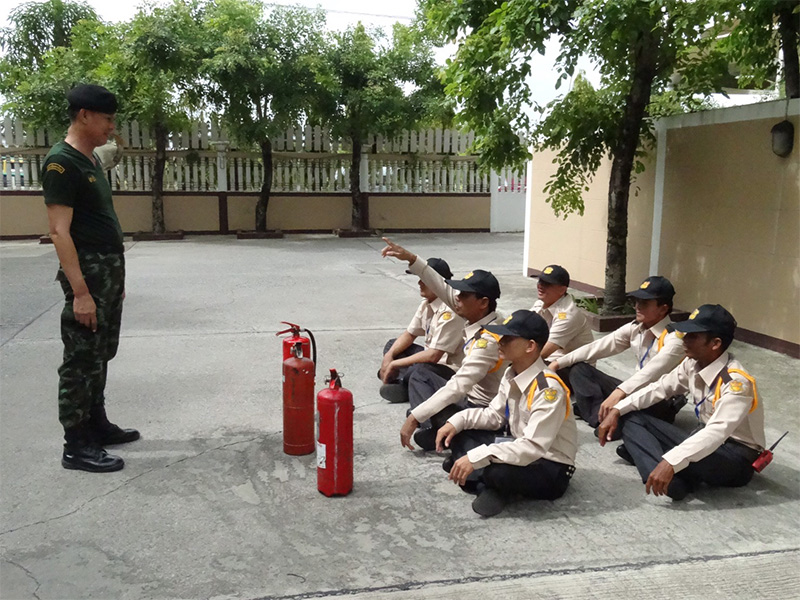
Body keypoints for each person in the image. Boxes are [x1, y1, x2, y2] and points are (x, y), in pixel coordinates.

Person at [43, 84, 139, 473]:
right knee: (81, 358)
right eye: (107, 119)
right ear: (84, 115)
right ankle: (76, 443)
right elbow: (58, 232)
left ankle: (96, 423)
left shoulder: (90, 160)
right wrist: (81, 293)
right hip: (87, 273)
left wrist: (115, 279)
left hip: (107, 271)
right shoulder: (61, 164)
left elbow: (113, 149)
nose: (111, 127)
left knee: (100, 352)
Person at [596, 304, 766, 501]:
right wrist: (617, 409)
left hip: (734, 458)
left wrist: (670, 461)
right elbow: (659, 388)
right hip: (703, 438)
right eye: (685, 334)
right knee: (632, 417)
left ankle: (664, 471)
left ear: (715, 343)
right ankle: (669, 473)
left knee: (659, 450)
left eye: (692, 336)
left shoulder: (737, 383)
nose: (684, 340)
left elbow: (717, 432)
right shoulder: (692, 364)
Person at [436, 310, 577, 517]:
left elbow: (533, 446)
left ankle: (488, 486)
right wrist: (456, 422)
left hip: (549, 465)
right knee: (460, 433)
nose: (500, 342)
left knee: (497, 472)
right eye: (501, 336)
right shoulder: (512, 373)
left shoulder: (548, 389)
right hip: (516, 446)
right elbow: (493, 415)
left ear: (530, 346)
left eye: (508, 338)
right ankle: (490, 486)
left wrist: (476, 457)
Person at [381, 238, 505, 452]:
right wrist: (412, 259)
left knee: (423, 383)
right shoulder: (482, 316)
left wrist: (416, 417)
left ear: (483, 302)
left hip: (480, 407)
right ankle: (428, 415)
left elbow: (458, 386)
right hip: (467, 395)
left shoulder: (488, 341)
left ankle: (433, 427)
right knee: (416, 375)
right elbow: (441, 288)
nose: (457, 298)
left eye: (464, 295)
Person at [549, 276, 686, 430]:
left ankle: (612, 419)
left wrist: (619, 393)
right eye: (636, 301)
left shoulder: (674, 339)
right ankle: (602, 419)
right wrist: (558, 363)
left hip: (659, 401)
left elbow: (651, 373)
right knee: (579, 369)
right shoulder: (636, 328)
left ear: (663, 308)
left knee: (626, 408)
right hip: (633, 391)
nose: (637, 307)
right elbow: (597, 347)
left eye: (645, 303)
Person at [378, 257, 466, 404]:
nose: (419, 283)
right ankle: (410, 384)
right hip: (429, 361)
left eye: (423, 280)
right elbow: (410, 334)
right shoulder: (427, 303)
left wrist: (394, 364)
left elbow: (434, 356)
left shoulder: (451, 311)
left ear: (437, 283)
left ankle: (407, 385)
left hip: (447, 369)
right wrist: (389, 357)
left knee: (420, 369)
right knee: (392, 346)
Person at [530, 265, 594, 363]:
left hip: (576, 368)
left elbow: (543, 353)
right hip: (554, 359)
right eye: (540, 281)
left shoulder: (568, 315)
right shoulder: (540, 304)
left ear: (562, 290)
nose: (540, 286)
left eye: (547, 284)